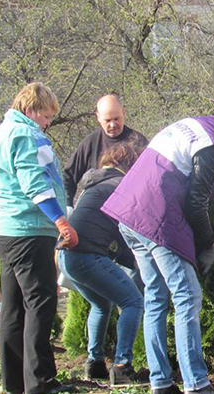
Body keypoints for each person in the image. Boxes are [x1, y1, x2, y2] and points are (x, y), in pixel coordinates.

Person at [103, 95, 214, 394]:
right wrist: (209, 246)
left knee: (155, 296)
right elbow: (196, 203)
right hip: (153, 217)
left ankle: (161, 383)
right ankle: (197, 384)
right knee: (187, 294)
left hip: (129, 213)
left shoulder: (196, 126)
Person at [0, 82, 77, 394]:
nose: (48, 122)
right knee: (40, 302)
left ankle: (14, 383)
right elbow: (36, 183)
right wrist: (61, 221)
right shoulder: (27, 135)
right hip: (28, 229)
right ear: (30, 110)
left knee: (12, 308)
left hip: (2, 230)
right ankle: (41, 382)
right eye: (46, 115)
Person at [57, 142, 146, 387]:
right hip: (86, 256)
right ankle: (121, 367)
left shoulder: (92, 185)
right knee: (133, 301)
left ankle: (94, 363)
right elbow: (124, 234)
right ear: (128, 165)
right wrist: (141, 264)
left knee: (101, 304)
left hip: (66, 257)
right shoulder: (119, 186)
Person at [63, 94, 148, 208]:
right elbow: (67, 177)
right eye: (107, 120)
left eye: (116, 119)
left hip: (128, 210)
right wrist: (67, 206)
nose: (113, 125)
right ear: (98, 117)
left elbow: (150, 180)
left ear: (123, 112)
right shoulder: (90, 143)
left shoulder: (138, 142)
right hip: (96, 208)